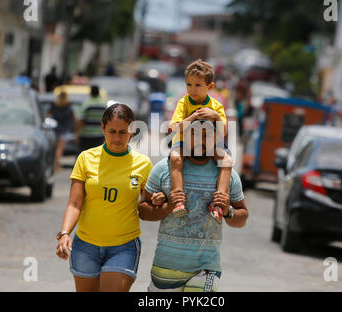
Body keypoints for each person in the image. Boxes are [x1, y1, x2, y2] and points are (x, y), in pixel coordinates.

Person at [138, 119, 248, 292]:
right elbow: (143, 211)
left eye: (207, 136)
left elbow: (242, 218)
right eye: (194, 134)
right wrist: (167, 207)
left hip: (206, 268)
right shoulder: (163, 169)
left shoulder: (228, 175)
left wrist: (228, 211)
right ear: (184, 136)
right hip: (166, 267)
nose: (200, 141)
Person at [55, 103, 153, 292]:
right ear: (102, 128)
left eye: (123, 132)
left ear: (132, 130)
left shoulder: (144, 164)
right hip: (85, 246)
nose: (117, 138)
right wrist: (65, 233)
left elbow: (146, 206)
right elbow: (75, 203)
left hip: (123, 246)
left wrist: (158, 201)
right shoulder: (85, 158)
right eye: (112, 131)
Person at [169, 59, 233, 222]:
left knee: (226, 160)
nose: (192, 89)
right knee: (175, 159)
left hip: (208, 144)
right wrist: (193, 117)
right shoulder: (183, 103)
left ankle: (218, 201)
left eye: (197, 85)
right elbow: (174, 128)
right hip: (184, 142)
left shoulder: (216, 105)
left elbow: (224, 131)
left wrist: (217, 117)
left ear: (210, 86)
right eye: (189, 85)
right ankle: (179, 200)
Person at [46, 92, 77, 172]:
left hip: (55, 129)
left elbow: (47, 115)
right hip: (64, 130)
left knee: (55, 148)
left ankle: (56, 164)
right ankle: (55, 165)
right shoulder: (68, 106)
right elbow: (74, 118)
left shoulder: (54, 106)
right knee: (60, 149)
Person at [76, 85, 107, 153]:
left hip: (86, 135)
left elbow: (81, 120)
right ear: (98, 92)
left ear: (90, 93)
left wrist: (77, 133)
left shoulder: (87, 104)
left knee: (84, 155)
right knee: (96, 155)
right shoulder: (104, 104)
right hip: (99, 135)